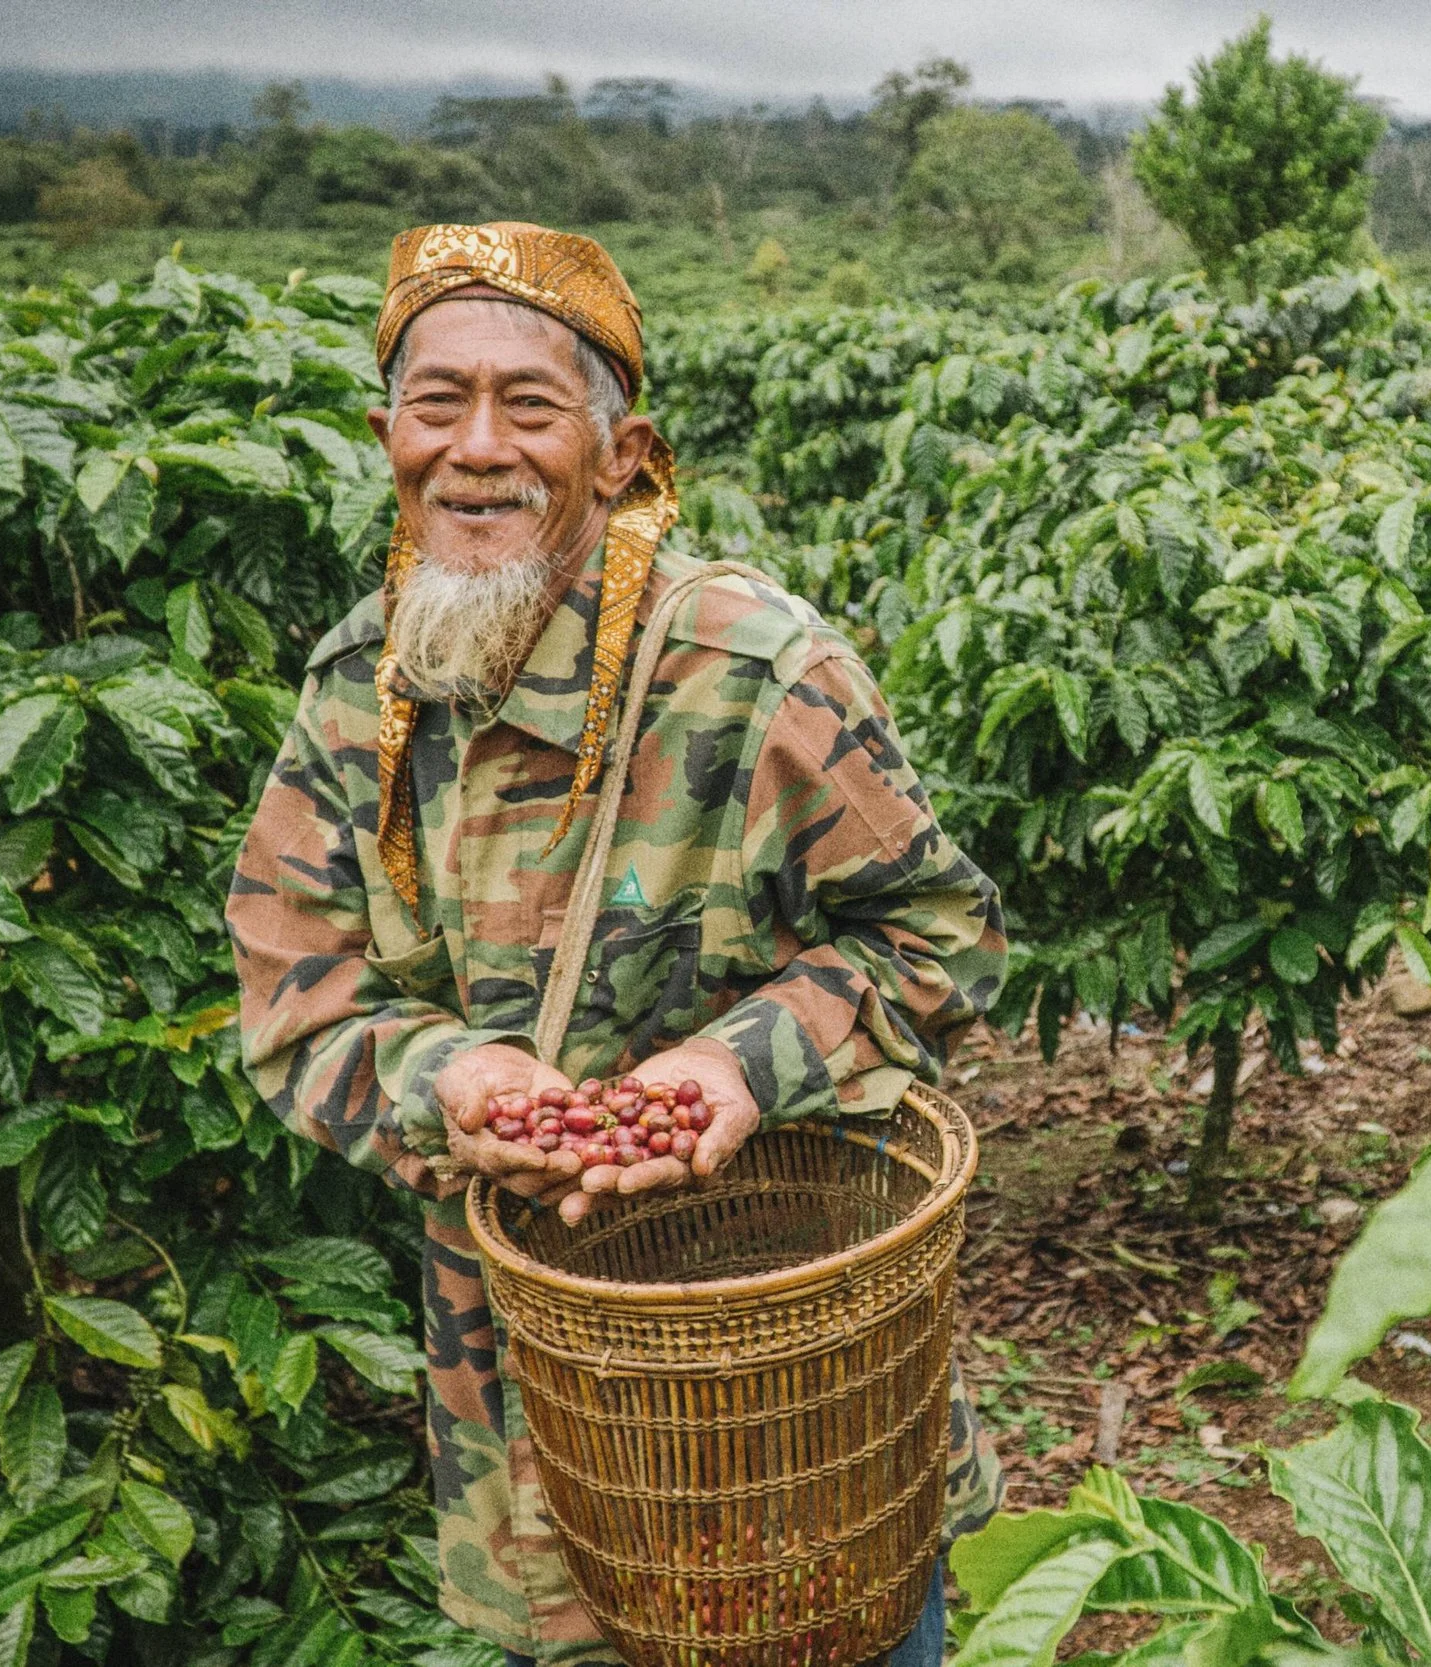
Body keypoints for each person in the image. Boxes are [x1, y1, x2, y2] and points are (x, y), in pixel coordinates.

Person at [227, 222, 1006, 1665]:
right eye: (434, 401)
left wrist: (738, 1063)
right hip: (525, 1425)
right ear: (384, 431)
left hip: (790, 1389)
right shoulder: (359, 688)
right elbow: (294, 989)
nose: (475, 448)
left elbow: (941, 934)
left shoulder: (751, 668)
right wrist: (445, 1077)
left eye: (529, 405)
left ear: (622, 448)